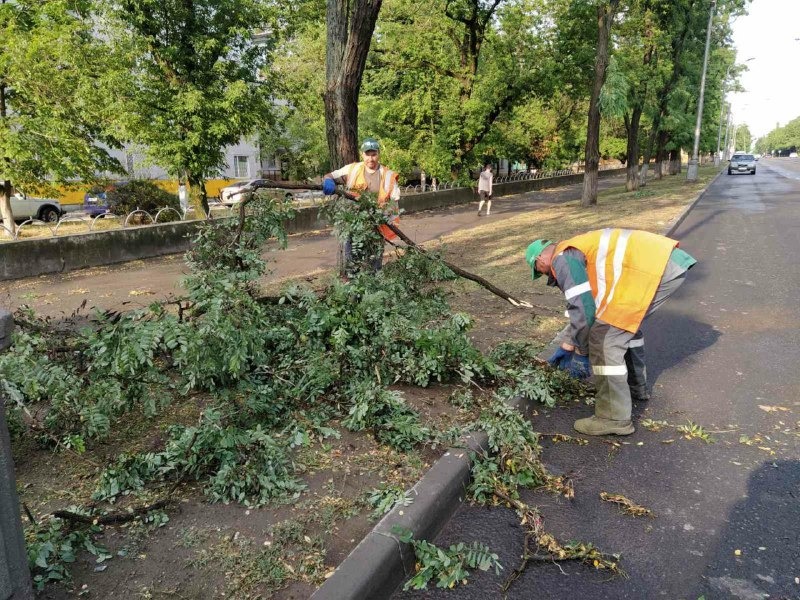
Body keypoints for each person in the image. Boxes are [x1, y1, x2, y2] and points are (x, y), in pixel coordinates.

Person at [525, 229, 697, 436]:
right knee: (623, 327)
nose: (545, 275)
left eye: (539, 270)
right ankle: (635, 388)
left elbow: (583, 310)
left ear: (541, 258)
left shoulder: (562, 258)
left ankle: (613, 417)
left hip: (656, 270)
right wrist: (568, 342)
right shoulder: (577, 251)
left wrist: (581, 350)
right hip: (660, 265)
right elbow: (591, 308)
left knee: (604, 340)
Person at [322, 138, 401, 275]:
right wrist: (328, 181)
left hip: (376, 227)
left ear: (378, 154)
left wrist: (384, 214)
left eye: (374, 154)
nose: (371, 158)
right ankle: (353, 290)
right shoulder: (352, 170)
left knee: (374, 266)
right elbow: (330, 175)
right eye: (368, 154)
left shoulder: (388, 175)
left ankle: (373, 288)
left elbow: (394, 202)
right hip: (353, 225)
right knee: (352, 264)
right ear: (362, 155)